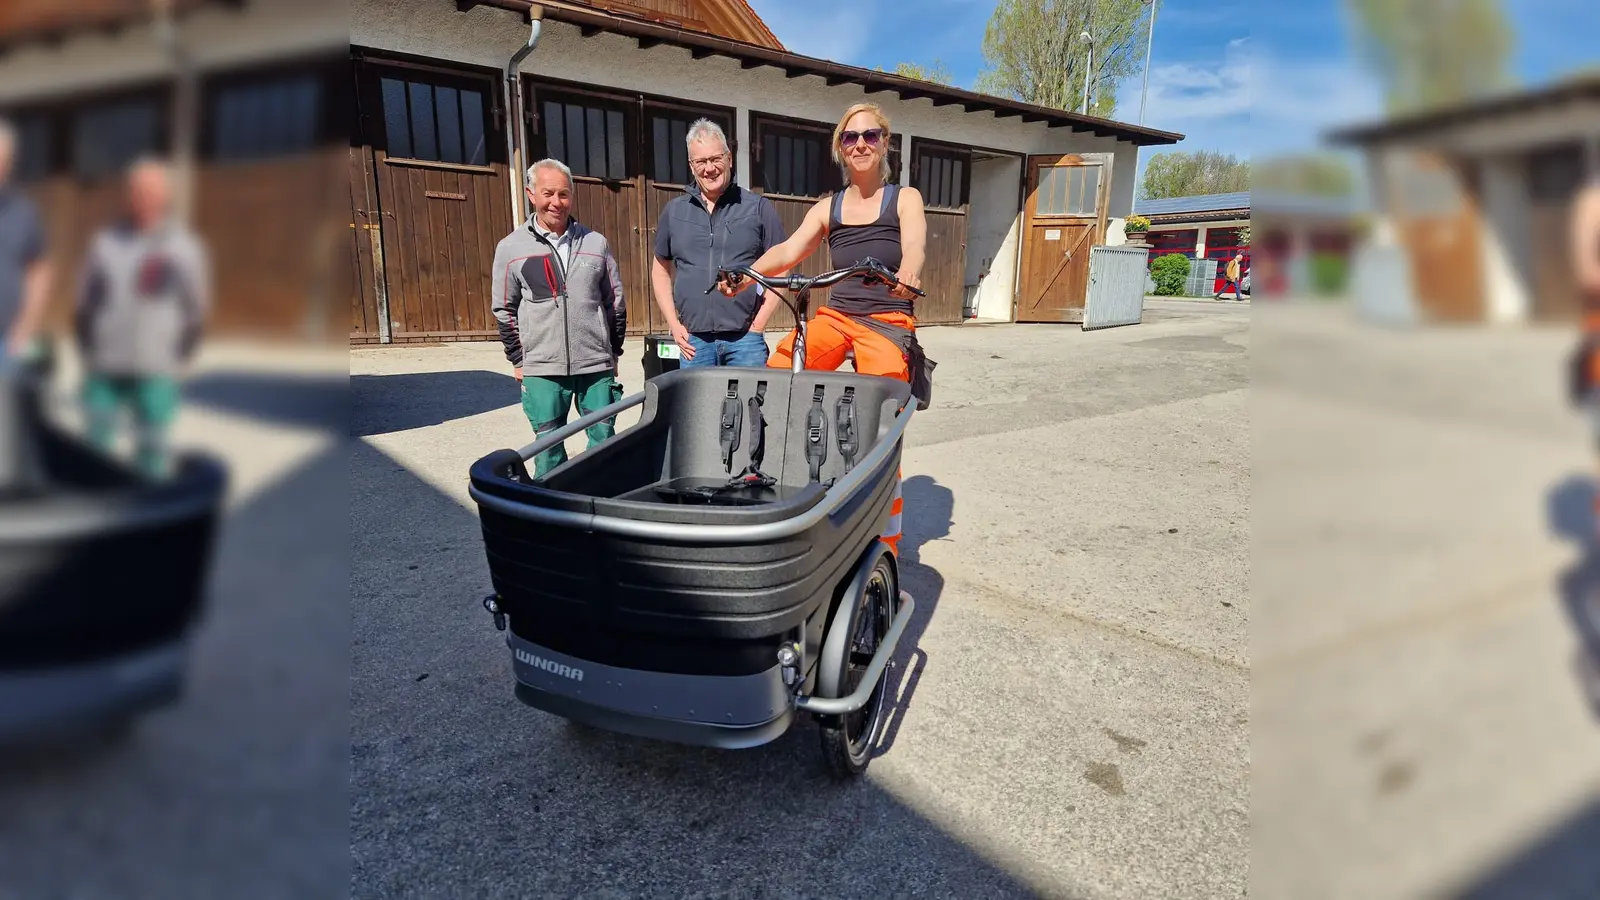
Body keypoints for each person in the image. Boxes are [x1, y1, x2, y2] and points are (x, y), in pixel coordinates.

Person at [715, 102, 926, 557]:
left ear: (885, 143)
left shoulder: (904, 198)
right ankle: (785, 483)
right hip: (838, 317)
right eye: (851, 137)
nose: (860, 144)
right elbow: (789, 250)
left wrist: (909, 271)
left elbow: (914, 244)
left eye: (870, 136)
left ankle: (887, 543)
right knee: (777, 374)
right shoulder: (830, 207)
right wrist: (745, 275)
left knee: (882, 421)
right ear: (840, 148)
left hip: (888, 320)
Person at [74, 156, 210, 479]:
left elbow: (196, 311)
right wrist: (91, 352)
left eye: (151, 192)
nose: (143, 199)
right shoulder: (104, 243)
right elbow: (84, 304)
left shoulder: (185, 248)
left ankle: (145, 503)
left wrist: (177, 359)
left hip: (156, 371)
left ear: (165, 197)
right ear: (127, 196)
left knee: (152, 457)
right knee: (94, 453)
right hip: (105, 368)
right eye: (136, 192)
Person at [491, 158, 627, 477]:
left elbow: (615, 302)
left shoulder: (595, 243)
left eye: (563, 194)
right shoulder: (511, 248)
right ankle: (550, 502)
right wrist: (518, 359)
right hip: (543, 368)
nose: (556, 202)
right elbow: (504, 308)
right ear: (531, 194)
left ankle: (600, 501)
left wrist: (613, 352)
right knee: (548, 451)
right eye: (548, 193)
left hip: (595, 366)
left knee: (604, 445)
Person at [651, 118, 786, 367]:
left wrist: (758, 325)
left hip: (745, 342)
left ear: (729, 158)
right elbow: (660, 270)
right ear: (691, 166)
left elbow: (783, 266)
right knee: (696, 396)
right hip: (694, 342)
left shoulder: (757, 208)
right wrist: (673, 323)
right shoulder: (674, 211)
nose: (709, 168)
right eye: (701, 161)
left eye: (716, 159)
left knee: (749, 395)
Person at [0, 116, 52, 365]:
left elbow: (39, 271)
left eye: (2, 162)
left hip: (6, 344)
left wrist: (26, 326)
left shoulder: (24, 213)